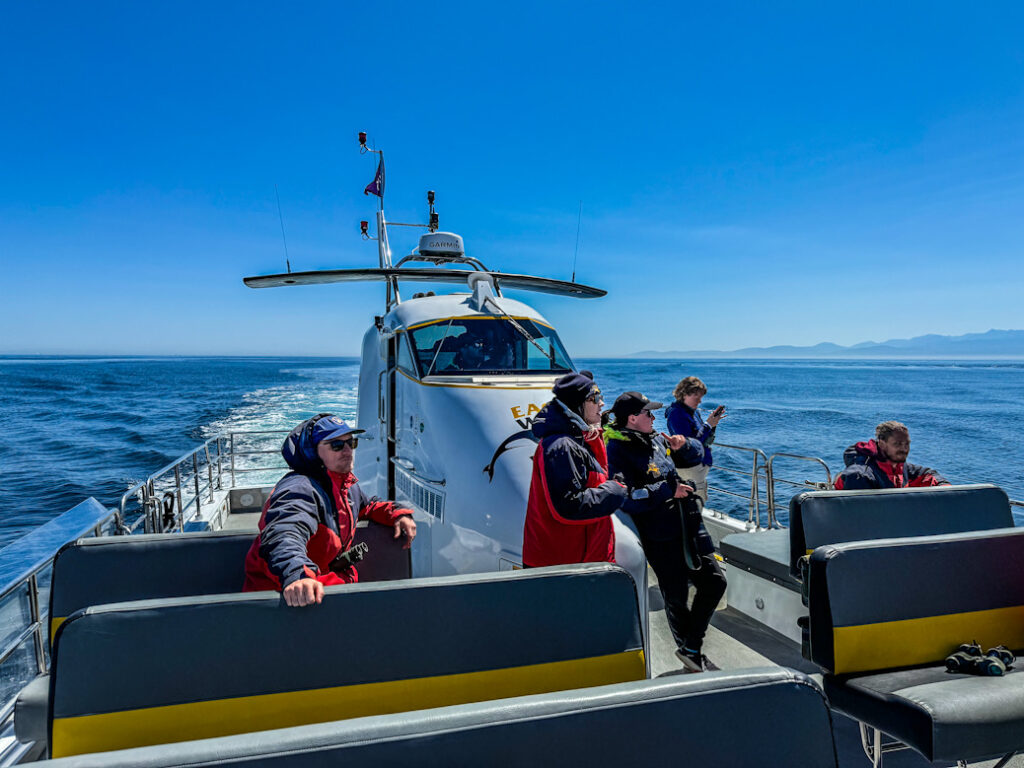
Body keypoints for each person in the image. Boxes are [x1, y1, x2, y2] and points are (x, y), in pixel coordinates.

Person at [606, 391, 727, 673]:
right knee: (675, 596)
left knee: (714, 582)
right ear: (632, 418)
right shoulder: (617, 450)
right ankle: (693, 658)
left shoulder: (657, 440)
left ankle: (690, 647)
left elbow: (696, 453)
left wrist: (684, 445)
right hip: (659, 534)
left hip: (686, 526)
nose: (653, 416)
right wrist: (666, 490)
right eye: (648, 413)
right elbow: (624, 497)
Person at [243, 414, 416, 607]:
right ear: (313, 453)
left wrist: (398, 514)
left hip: (327, 588)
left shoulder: (347, 486)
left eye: (351, 443)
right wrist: (298, 575)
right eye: (336, 445)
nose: (348, 450)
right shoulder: (299, 489)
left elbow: (368, 506)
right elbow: (284, 532)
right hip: (288, 600)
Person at [522, 371, 627, 567]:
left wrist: (612, 481)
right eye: (595, 398)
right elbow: (568, 506)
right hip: (565, 566)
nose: (602, 404)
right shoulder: (561, 446)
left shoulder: (579, 438)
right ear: (578, 403)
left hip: (581, 558)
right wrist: (614, 491)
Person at [834, 421, 949, 490]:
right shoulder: (861, 474)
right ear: (882, 444)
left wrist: (949, 492)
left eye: (906, 444)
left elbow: (928, 476)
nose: (904, 449)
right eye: (897, 444)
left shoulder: (901, 468)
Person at [664, 376, 725, 502]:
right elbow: (690, 443)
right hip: (688, 468)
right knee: (694, 505)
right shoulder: (676, 414)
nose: (700, 401)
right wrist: (708, 424)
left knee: (700, 501)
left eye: (701, 397)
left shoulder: (693, 412)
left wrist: (712, 425)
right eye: (696, 397)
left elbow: (704, 437)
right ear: (684, 394)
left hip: (697, 465)